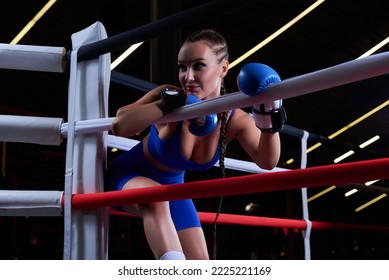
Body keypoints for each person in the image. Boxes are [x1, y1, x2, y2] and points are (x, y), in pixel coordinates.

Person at [105, 29, 285, 260]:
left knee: (201, 264)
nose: (188, 77)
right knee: (156, 197)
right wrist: (165, 106)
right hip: (128, 178)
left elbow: (267, 161)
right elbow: (120, 124)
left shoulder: (234, 118)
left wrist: (269, 114)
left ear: (223, 68)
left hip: (172, 188)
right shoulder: (170, 96)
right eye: (182, 67)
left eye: (198, 66)